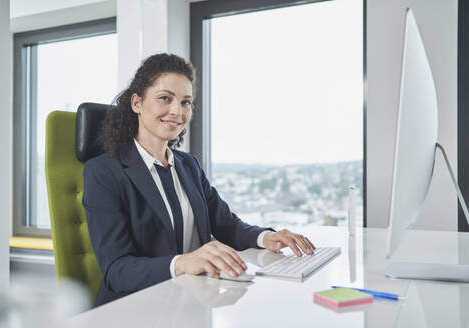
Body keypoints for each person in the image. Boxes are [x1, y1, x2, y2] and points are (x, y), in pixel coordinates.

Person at [83, 53, 316, 307]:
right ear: (137, 103)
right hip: (135, 308)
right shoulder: (104, 172)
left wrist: (266, 237)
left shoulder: (187, 165)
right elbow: (117, 270)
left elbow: (226, 225)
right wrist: (184, 262)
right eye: (165, 98)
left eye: (186, 102)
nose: (177, 111)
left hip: (191, 300)